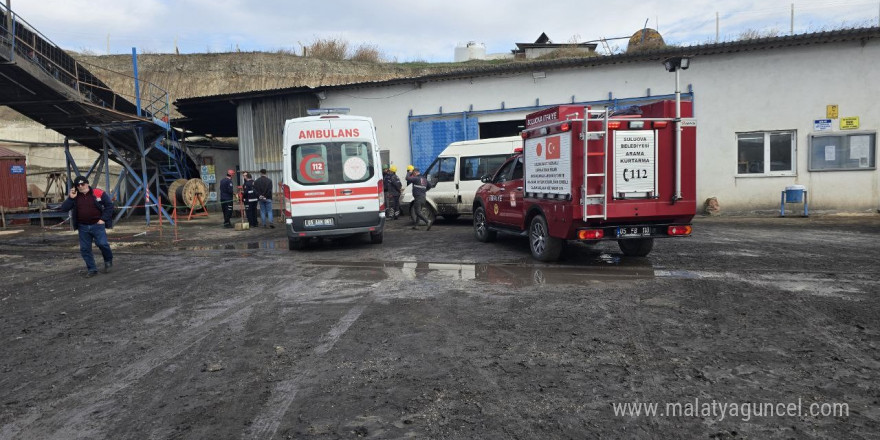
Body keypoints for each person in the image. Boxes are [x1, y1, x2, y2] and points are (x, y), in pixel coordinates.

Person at [59, 176, 114, 277]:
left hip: (97, 225)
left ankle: (108, 260)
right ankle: (92, 269)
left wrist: (103, 219)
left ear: (87, 184)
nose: (80, 186)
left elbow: (109, 206)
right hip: (83, 227)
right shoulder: (75, 197)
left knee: (102, 244)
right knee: (85, 249)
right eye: (78, 185)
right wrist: (71, 198)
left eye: (82, 184)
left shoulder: (98, 193)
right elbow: (64, 208)